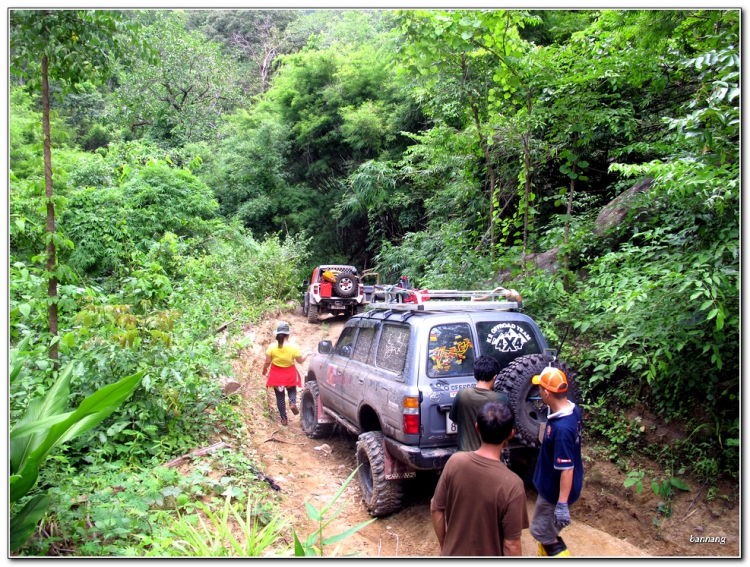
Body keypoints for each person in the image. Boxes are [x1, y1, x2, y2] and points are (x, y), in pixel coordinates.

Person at [431, 401, 528, 556]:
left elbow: (436, 508)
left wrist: (445, 547)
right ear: (511, 433)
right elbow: (511, 545)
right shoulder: (513, 485)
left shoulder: (455, 462)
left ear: (477, 428)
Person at [529, 366, 583, 557]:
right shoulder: (573, 410)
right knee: (546, 533)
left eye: (540, 388)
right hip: (555, 488)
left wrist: (561, 504)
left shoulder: (561, 430)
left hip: (554, 494)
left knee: (543, 533)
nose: (538, 391)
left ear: (547, 392)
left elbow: (566, 468)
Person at [449, 355, 510, 452]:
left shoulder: (462, 394)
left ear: (475, 375)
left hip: (465, 455)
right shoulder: (501, 399)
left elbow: (455, 421)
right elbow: (511, 431)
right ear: (495, 377)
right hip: (491, 457)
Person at [262, 322, 314, 426]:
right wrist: (307, 354)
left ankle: (284, 419)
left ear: (277, 334)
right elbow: (300, 361)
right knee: (291, 391)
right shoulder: (293, 347)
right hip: (289, 374)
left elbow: (267, 361)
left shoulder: (272, 347)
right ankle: (292, 403)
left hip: (277, 376)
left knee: (280, 398)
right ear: (288, 334)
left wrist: (264, 369)